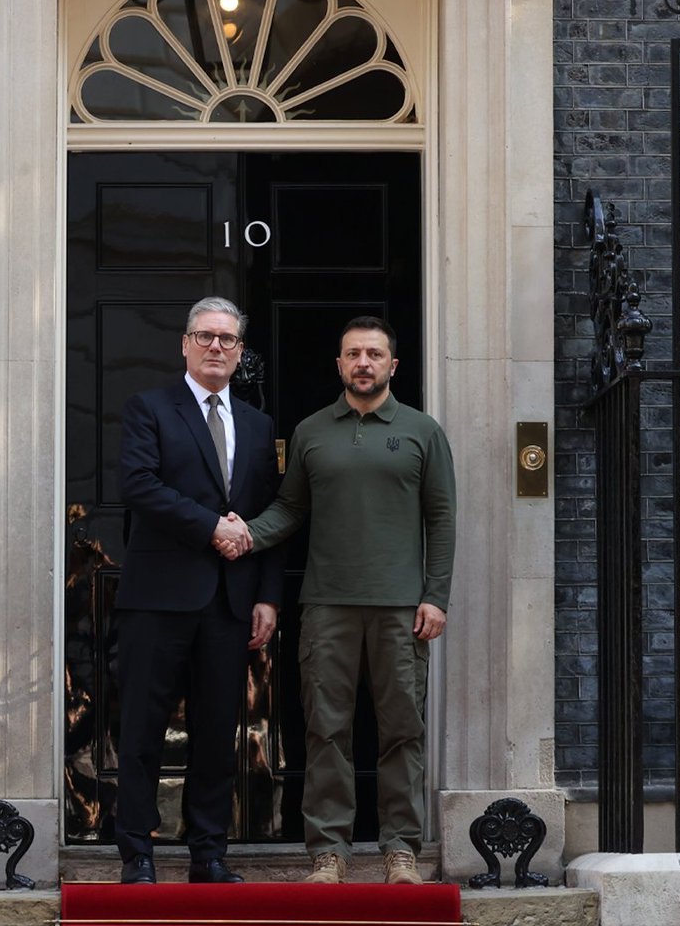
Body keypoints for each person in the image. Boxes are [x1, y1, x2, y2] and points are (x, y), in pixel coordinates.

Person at [219, 317, 456, 885]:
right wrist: (244, 530)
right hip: (327, 606)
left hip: (402, 608)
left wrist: (436, 596)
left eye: (375, 354)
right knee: (327, 730)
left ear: (393, 366)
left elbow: (441, 517)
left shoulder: (423, 431)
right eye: (353, 354)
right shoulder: (311, 432)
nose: (364, 363)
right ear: (340, 364)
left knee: (403, 729)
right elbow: (291, 509)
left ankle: (401, 850)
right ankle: (329, 852)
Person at [114, 297, 283, 884]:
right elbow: (139, 485)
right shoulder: (150, 409)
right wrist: (210, 525)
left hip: (230, 602)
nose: (216, 347)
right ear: (184, 344)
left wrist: (267, 595)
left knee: (216, 734)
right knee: (141, 731)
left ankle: (208, 854)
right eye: (205, 336)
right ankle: (136, 852)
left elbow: (268, 513)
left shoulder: (260, 425)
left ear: (240, 352)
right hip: (158, 598)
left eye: (228, 339)